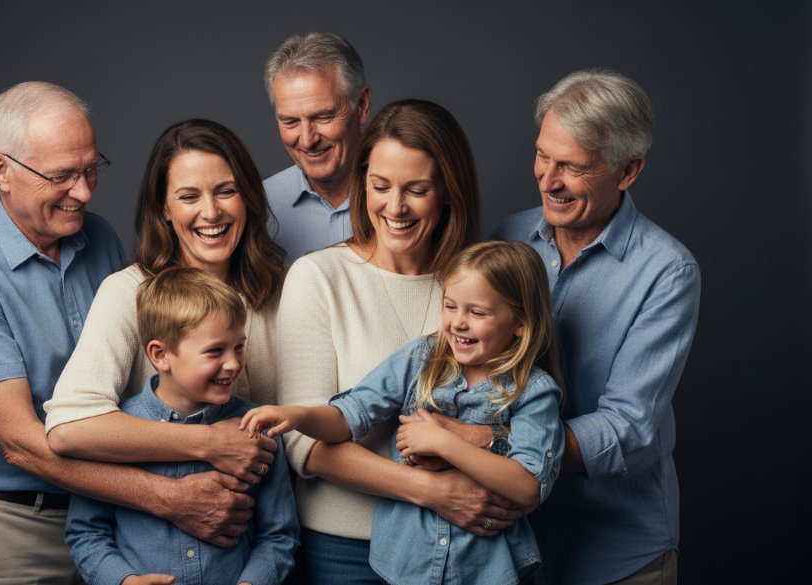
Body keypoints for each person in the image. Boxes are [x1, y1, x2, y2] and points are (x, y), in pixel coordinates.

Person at [273, 98, 527, 585]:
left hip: (466, 549)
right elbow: (303, 443)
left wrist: (477, 441)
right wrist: (432, 491)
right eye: (380, 186)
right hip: (344, 552)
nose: (395, 207)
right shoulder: (318, 278)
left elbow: (529, 414)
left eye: (417, 189)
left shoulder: (479, 285)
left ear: (447, 192)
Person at [243, 240, 565, 585]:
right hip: (404, 564)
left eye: (477, 313)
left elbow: (529, 485)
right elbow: (349, 416)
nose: (458, 323)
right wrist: (298, 417)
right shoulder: (422, 358)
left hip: (487, 570)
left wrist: (445, 442)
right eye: (450, 306)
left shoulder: (534, 390)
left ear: (519, 321)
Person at [492, 68, 701, 585]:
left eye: (572, 167)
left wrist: (484, 444)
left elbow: (627, 427)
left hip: (618, 555)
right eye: (542, 155)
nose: (547, 179)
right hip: (510, 549)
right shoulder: (507, 238)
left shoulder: (668, 272)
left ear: (628, 171)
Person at [0, 81, 131, 584]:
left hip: (108, 523)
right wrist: (166, 497)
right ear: (1, 169)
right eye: (62, 176)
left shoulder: (99, 237)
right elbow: (21, 443)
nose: (83, 192)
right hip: (12, 528)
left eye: (90, 169)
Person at [44, 120, 287, 546]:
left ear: (248, 197)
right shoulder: (128, 294)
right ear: (164, 209)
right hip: (162, 544)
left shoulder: (281, 291)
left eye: (226, 191)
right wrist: (207, 443)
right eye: (188, 196)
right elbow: (69, 428)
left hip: (269, 541)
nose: (211, 212)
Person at [66, 267, 299, 585]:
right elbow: (86, 533)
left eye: (239, 347)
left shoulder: (259, 429)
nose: (232, 363)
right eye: (215, 350)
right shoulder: (116, 431)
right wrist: (123, 580)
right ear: (160, 355)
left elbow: (279, 535)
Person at [262, 31, 371, 263]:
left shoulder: (404, 200)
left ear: (361, 105)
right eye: (290, 121)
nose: (307, 140)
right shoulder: (257, 207)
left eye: (323, 117)